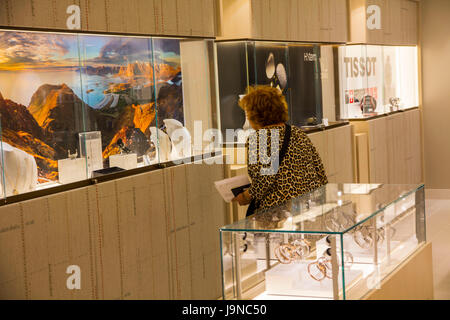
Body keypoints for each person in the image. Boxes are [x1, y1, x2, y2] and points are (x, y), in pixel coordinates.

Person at [232, 86, 328, 216]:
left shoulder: (259, 139)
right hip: (308, 208)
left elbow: (263, 181)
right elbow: (320, 174)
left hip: (279, 214)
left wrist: (245, 197)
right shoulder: (297, 133)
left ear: (256, 113)